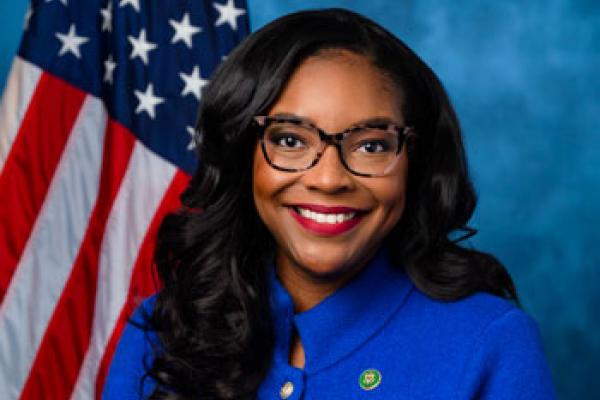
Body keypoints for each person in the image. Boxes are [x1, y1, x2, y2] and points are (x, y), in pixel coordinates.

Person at [102, 8, 556, 400]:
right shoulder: (165, 329)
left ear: (415, 165)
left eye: (372, 146)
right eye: (290, 139)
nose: (328, 178)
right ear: (244, 154)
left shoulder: (489, 343)